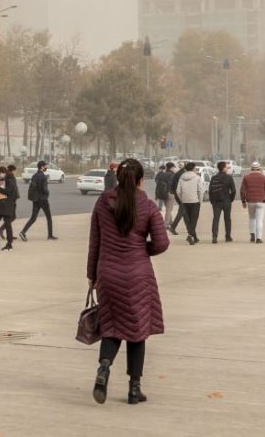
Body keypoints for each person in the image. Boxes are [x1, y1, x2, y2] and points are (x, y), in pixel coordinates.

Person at [87, 158, 169, 405]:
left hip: (108, 274)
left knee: (111, 325)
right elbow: (162, 242)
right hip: (138, 274)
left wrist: (92, 276)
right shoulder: (147, 205)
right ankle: (134, 389)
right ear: (141, 179)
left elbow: (95, 243)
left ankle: (104, 368)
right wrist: (141, 249)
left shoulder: (103, 202)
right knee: (137, 330)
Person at [20, 160, 56, 241]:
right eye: (45, 166)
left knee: (33, 217)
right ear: (42, 167)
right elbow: (44, 189)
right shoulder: (43, 176)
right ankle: (50, 236)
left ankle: (23, 232)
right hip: (43, 199)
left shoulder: (34, 176)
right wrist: (47, 193)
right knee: (49, 217)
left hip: (35, 199)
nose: (46, 167)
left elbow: (32, 187)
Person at [240, 161, 265, 244]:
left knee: (252, 218)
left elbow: (242, 190)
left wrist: (243, 201)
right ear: (259, 168)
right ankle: (258, 238)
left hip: (250, 201)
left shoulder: (246, 177)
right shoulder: (264, 177)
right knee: (259, 220)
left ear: (251, 169)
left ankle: (252, 235)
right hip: (261, 201)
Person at [172, 161, 204, 244]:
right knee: (194, 220)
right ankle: (190, 236)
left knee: (189, 220)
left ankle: (195, 237)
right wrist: (200, 201)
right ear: (193, 169)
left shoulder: (181, 178)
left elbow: (178, 191)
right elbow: (200, 190)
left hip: (185, 202)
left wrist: (182, 199)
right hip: (195, 201)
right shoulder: (197, 178)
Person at [208, 161, 236, 243]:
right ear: (223, 168)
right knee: (227, 219)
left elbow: (210, 191)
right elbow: (233, 190)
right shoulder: (229, 177)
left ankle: (214, 237)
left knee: (216, 219)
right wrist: (231, 199)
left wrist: (212, 201)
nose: (227, 168)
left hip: (216, 202)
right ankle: (228, 236)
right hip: (226, 201)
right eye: (226, 167)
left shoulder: (214, 177)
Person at [0, 165, 19, 251]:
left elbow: (8, 192)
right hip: (0, 204)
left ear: (3, 172)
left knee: (7, 224)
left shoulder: (11, 180)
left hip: (7, 205)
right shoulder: (3, 179)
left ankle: (9, 244)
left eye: (0, 173)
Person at [160, 162, 178, 227]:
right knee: (168, 210)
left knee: (168, 208)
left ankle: (170, 222)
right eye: (173, 167)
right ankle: (166, 225)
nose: (174, 169)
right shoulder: (172, 175)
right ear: (171, 167)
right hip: (170, 193)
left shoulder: (163, 174)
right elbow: (173, 185)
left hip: (163, 193)